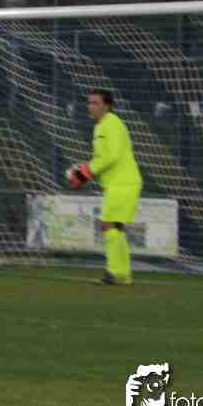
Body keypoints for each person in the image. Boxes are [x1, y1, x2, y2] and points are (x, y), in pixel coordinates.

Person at [66, 89, 143, 285]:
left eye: (95, 103)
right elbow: (103, 157)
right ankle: (122, 274)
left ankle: (114, 272)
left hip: (123, 182)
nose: (91, 106)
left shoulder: (112, 123)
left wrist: (85, 172)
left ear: (107, 106)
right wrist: (84, 170)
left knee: (109, 225)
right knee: (115, 227)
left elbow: (112, 156)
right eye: (89, 102)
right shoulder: (101, 125)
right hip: (120, 182)